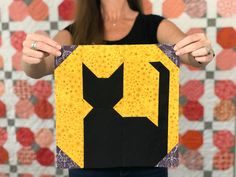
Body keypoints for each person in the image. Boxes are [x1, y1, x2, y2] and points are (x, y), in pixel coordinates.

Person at [21, 0, 215, 176]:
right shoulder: (72, 33)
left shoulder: (155, 25)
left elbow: (189, 54)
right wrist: (31, 58)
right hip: (89, 163)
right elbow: (39, 68)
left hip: (147, 159)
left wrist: (201, 51)